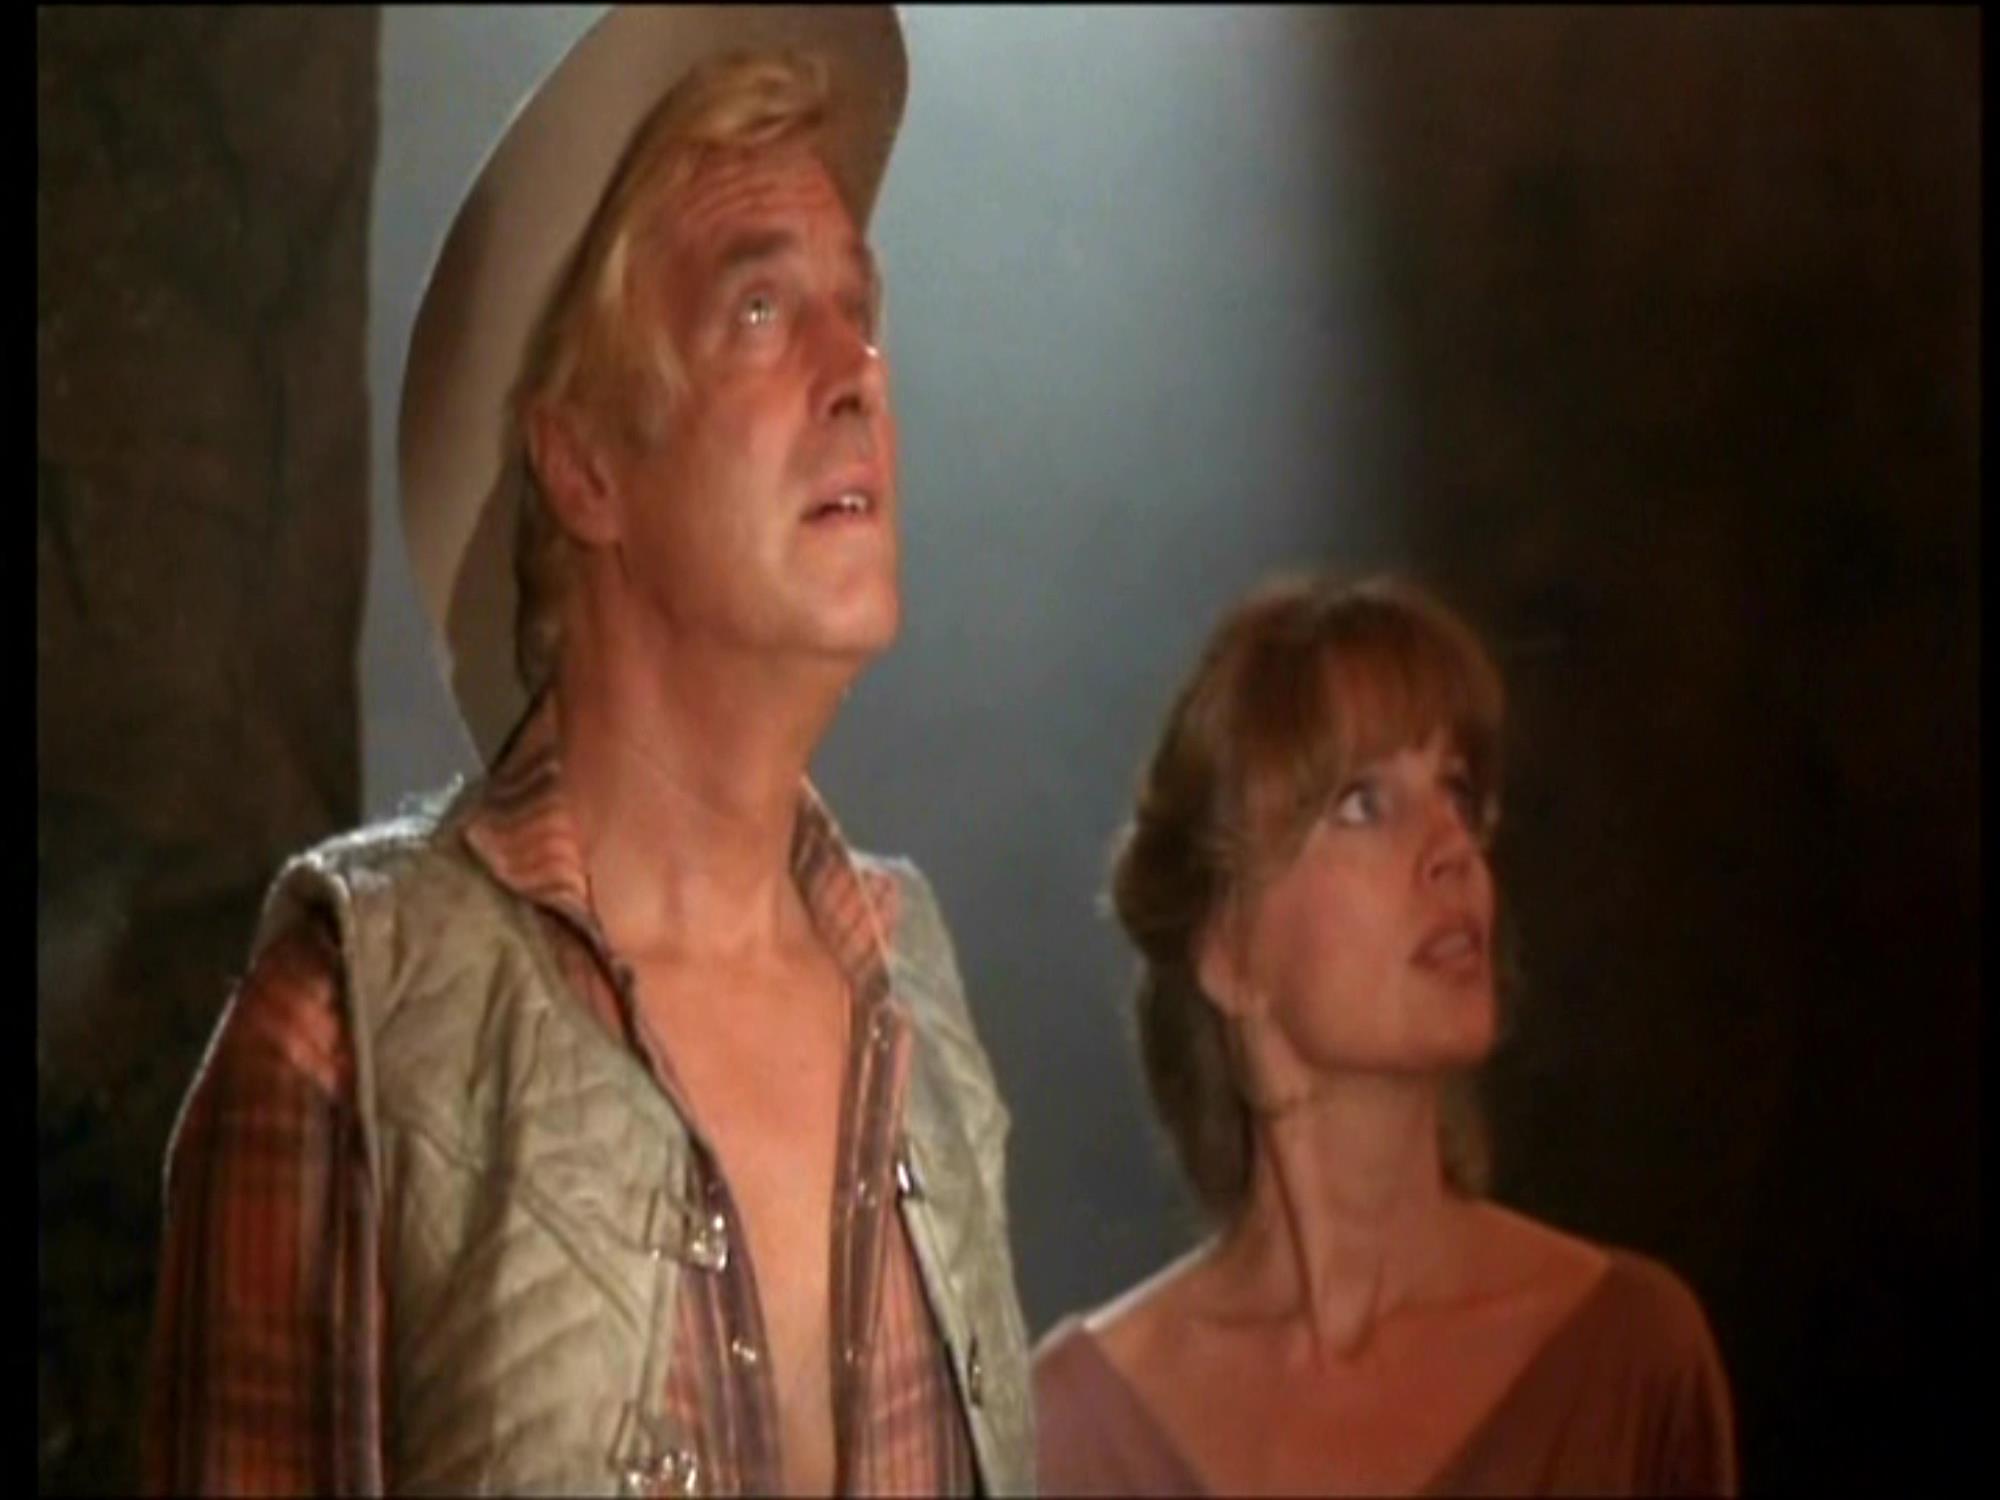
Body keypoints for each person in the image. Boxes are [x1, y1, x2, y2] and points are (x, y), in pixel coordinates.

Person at [143, 9, 1033, 1495]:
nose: (857, 371)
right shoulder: (350, 1026)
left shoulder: (912, 986)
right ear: (583, 463)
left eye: (859, 308)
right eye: (762, 309)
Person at [1033, 573, 1735, 1496]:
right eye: (1364, 803)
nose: (1454, 847)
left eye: (1459, 793)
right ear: (1228, 950)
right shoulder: (1070, 1431)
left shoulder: (1629, 1364)